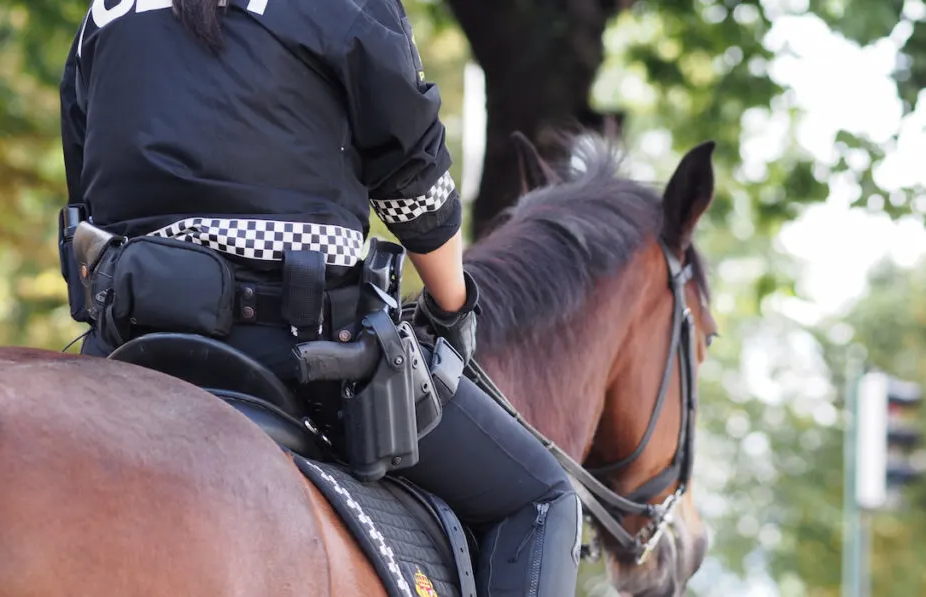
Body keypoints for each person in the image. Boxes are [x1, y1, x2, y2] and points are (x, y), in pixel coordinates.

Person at [57, 0, 582, 595]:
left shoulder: (102, 16)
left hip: (130, 338)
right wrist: (452, 305)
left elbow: (87, 197)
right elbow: (413, 177)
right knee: (541, 496)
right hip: (297, 346)